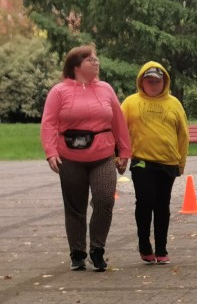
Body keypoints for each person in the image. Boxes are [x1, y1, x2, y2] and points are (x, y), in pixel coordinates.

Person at [40, 45, 131, 271]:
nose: (96, 62)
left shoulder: (106, 89)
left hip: (102, 155)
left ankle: (97, 249)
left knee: (104, 200)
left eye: (96, 58)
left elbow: (118, 122)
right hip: (70, 157)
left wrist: (124, 152)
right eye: (90, 59)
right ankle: (77, 252)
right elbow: (49, 123)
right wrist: (51, 152)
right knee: (75, 207)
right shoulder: (59, 91)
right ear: (76, 65)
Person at [121, 63, 189, 264]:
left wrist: (181, 163)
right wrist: (120, 155)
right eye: (148, 80)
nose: (153, 84)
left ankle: (161, 248)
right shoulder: (130, 103)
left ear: (164, 81)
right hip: (142, 161)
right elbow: (119, 130)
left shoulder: (174, 103)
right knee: (144, 201)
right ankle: (144, 244)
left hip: (168, 161)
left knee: (162, 205)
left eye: (157, 81)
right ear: (141, 81)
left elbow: (183, 134)